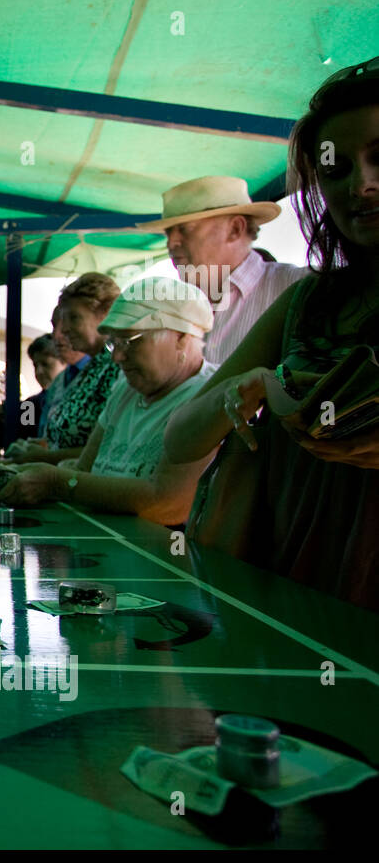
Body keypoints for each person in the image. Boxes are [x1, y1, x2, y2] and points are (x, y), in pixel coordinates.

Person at [163, 57, 379, 610]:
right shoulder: (308, 301)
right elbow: (182, 437)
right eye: (335, 169)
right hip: (290, 575)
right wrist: (258, 386)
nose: (363, 185)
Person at [0, 277, 217, 526]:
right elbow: (83, 469)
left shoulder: (207, 395)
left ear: (180, 337)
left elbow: (166, 504)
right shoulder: (125, 388)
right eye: (114, 342)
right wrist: (13, 472)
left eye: (128, 341)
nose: (117, 357)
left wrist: (53, 482)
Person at [136, 175, 306, 365]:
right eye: (169, 233)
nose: (171, 243)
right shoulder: (173, 307)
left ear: (235, 229)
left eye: (185, 229)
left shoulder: (302, 288)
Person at [4, 273, 122, 464]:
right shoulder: (86, 372)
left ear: (105, 314)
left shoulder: (119, 369)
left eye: (74, 318)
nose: (64, 330)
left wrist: (43, 457)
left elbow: (109, 448)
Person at [15, 333, 65, 439]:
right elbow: (23, 439)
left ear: (64, 363)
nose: (39, 371)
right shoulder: (29, 406)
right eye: (35, 365)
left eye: (45, 364)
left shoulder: (75, 401)